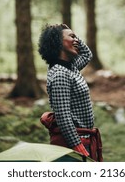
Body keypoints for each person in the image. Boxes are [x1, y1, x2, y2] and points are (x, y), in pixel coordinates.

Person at [38, 23, 102, 161]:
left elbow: (87, 54)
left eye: (76, 37)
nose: (76, 40)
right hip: (72, 144)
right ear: (58, 42)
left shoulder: (70, 68)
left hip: (84, 138)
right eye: (71, 37)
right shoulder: (60, 74)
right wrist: (78, 146)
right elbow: (63, 116)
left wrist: (67, 32)